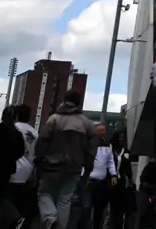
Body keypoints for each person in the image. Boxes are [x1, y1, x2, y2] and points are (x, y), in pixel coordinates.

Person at [35, 98, 98, 229]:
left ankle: (50, 218)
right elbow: (91, 149)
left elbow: (43, 140)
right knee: (65, 199)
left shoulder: (54, 119)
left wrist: (39, 158)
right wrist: (87, 168)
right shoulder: (87, 123)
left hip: (52, 165)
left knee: (44, 193)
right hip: (74, 167)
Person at [87, 126, 117, 229]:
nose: (104, 132)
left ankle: (96, 225)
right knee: (86, 206)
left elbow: (110, 162)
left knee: (98, 208)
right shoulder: (88, 143)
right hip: (88, 180)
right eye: (101, 130)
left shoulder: (107, 145)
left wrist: (113, 175)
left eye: (104, 130)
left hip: (101, 182)